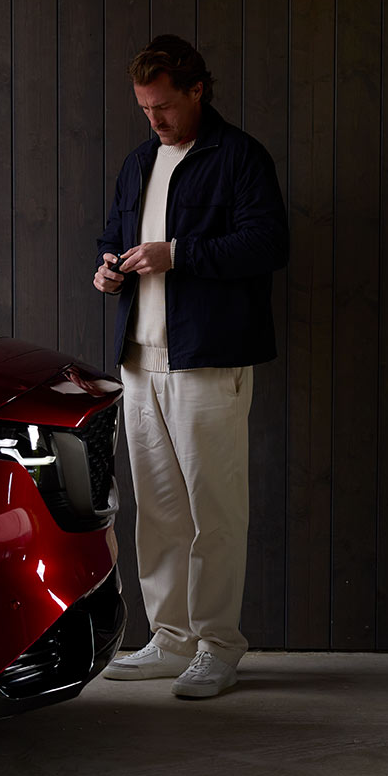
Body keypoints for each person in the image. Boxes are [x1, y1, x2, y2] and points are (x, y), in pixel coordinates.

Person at [93, 34, 288, 699]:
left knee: (215, 510)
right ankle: (170, 638)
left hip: (209, 359)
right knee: (157, 510)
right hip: (139, 361)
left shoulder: (240, 158)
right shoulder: (138, 163)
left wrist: (177, 254)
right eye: (145, 108)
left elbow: (267, 244)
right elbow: (113, 236)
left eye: (165, 106)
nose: (154, 119)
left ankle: (217, 645)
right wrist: (107, 269)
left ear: (197, 91)